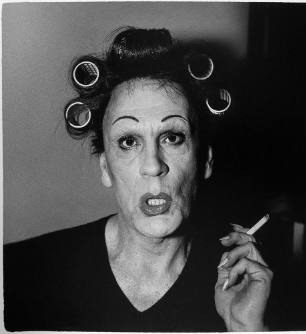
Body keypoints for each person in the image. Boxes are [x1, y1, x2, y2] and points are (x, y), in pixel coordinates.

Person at [4, 27, 272, 331]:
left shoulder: (244, 286)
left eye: (172, 137)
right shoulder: (17, 274)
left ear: (204, 161)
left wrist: (246, 326)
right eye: (129, 141)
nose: (153, 165)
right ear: (105, 167)